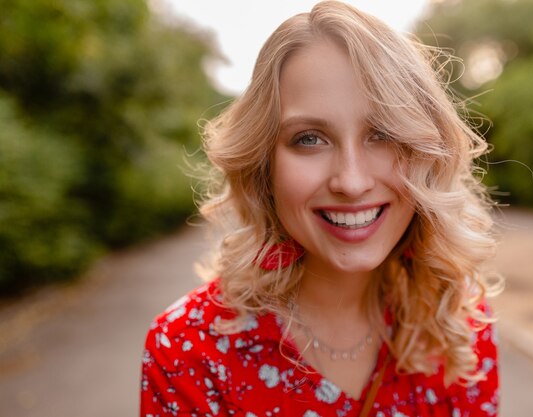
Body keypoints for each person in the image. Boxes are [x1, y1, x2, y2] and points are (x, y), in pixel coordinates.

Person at [140, 1, 501, 416]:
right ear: (264, 165)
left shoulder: (458, 326)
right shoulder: (190, 351)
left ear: (427, 153)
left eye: (381, 133)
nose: (351, 181)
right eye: (309, 138)